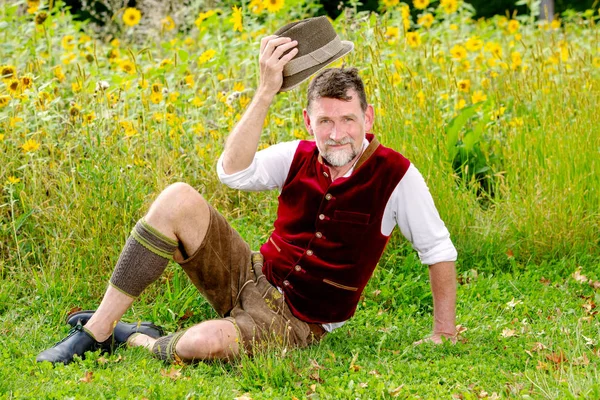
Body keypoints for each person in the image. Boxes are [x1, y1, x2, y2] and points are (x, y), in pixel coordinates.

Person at [37, 19, 457, 366]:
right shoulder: (298, 153)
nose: (337, 133)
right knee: (177, 197)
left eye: (348, 119)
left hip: (297, 322)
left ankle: (137, 338)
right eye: (324, 121)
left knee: (200, 344)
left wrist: (443, 332)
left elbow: (438, 249)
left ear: (367, 117)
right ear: (308, 122)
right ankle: (98, 330)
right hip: (250, 274)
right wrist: (264, 92)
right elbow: (231, 172)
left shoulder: (397, 175)